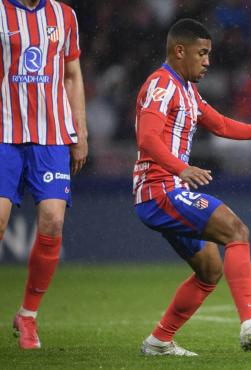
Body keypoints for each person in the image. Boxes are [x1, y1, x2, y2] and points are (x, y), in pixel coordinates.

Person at [133, 18, 251, 357]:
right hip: (160, 189)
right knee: (236, 230)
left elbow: (222, 125)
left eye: (209, 54)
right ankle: (250, 324)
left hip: (169, 188)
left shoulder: (186, 89)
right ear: (179, 50)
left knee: (210, 270)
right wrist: (181, 168)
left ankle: (158, 341)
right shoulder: (162, 85)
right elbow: (147, 138)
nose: (207, 61)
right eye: (202, 53)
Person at [0, 0, 87, 350]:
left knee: (52, 221)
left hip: (51, 137)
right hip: (4, 133)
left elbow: (72, 74)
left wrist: (80, 131)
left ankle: (28, 316)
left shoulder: (64, 15)